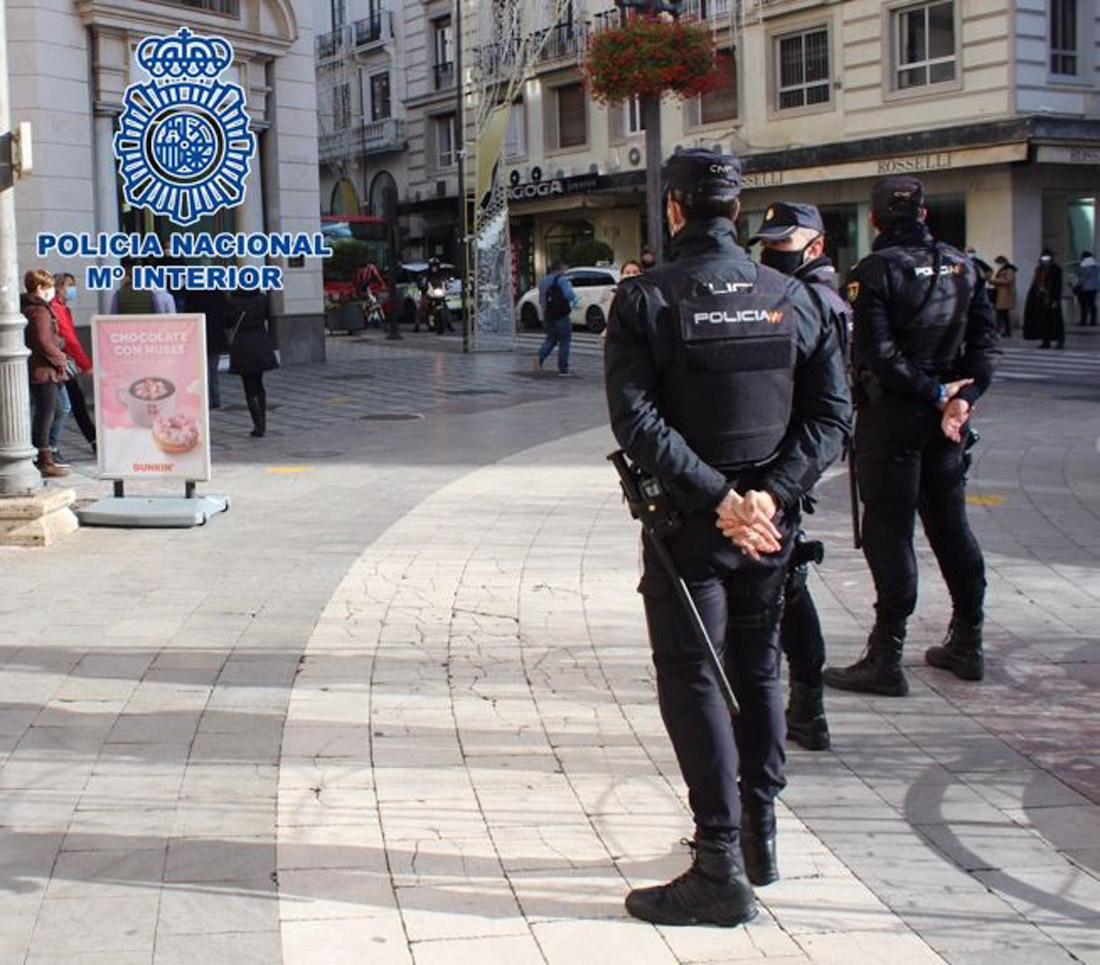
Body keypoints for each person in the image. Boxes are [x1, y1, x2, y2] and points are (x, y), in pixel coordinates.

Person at [605, 148, 850, 927]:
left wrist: (721, 499)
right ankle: (759, 837)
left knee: (696, 677)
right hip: (766, 526)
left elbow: (636, 421)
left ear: (675, 209)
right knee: (760, 666)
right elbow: (831, 418)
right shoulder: (794, 296)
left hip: (691, 526)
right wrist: (768, 498)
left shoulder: (645, 298)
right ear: (735, 211)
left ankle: (719, 863)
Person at [823, 176, 999, 699]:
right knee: (950, 525)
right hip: (947, 421)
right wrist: (961, 398)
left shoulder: (874, 270)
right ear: (923, 215)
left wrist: (933, 391)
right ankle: (968, 639)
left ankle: (886, 654)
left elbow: (877, 353)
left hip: (896, 415)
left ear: (875, 220)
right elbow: (986, 341)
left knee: (890, 531)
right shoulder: (965, 266)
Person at [750, 201, 853, 751]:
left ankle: (808, 703)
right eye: (766, 245)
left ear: (815, 245)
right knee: (782, 586)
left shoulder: (820, 303)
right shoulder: (790, 295)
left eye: (782, 245)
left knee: (787, 587)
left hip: (789, 464)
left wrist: (781, 482)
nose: (771, 254)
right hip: (779, 461)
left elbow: (828, 405)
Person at [21, 268, 69, 478]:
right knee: (47, 412)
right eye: (48, 287)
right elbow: (43, 341)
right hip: (44, 370)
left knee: (55, 410)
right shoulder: (39, 310)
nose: (51, 291)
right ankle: (44, 459)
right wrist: (60, 357)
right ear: (40, 287)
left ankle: (42, 453)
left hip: (40, 367)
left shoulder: (28, 307)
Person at [48, 273, 97, 460]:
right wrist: (86, 364)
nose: (72, 289)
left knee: (72, 404)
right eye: (69, 285)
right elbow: (69, 340)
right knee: (67, 405)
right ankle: (49, 448)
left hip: (64, 362)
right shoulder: (56, 308)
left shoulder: (61, 307)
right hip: (61, 362)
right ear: (58, 286)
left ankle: (93, 441)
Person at [227, 289, 278, 437]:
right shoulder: (262, 298)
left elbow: (227, 321)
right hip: (259, 342)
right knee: (259, 383)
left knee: (248, 386)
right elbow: (268, 315)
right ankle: (262, 423)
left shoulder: (232, 300)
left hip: (242, 344)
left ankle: (257, 424)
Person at [186, 286, 231, 408]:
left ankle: (203, 399)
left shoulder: (192, 293)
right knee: (212, 369)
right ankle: (215, 398)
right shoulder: (218, 293)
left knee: (200, 369)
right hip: (216, 336)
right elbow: (226, 315)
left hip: (199, 333)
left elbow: (188, 313)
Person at [536, 260, 580, 376]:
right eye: (565, 268)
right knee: (565, 341)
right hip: (561, 315)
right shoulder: (561, 279)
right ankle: (563, 369)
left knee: (551, 339)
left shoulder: (543, 280)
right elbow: (568, 294)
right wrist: (575, 300)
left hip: (548, 314)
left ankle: (539, 358)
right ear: (560, 268)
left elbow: (541, 300)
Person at [1022, 249, 1064, 349]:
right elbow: (1035, 283)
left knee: (1055, 321)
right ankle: (1046, 341)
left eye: (1047, 258)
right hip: (1040, 298)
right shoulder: (1039, 269)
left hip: (1051, 298)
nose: (1045, 260)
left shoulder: (1056, 269)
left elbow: (1058, 285)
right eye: (1044, 258)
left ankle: (1059, 341)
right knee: (1043, 321)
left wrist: (1055, 299)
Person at [109, 258, 176, 314]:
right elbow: (157, 312)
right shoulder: (150, 294)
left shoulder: (118, 294)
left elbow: (113, 315)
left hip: (125, 328)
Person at [414, 257, 454, 333]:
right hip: (427, 293)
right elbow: (421, 280)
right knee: (421, 306)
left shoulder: (441, 273)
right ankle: (416, 325)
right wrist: (421, 285)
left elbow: (445, 281)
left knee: (446, 307)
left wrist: (447, 285)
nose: (434, 267)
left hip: (438, 293)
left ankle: (449, 324)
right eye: (433, 265)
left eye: (436, 265)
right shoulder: (426, 273)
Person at [991, 256, 1017, 337]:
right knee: (1003, 315)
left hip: (1006, 294)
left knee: (1001, 314)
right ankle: (1005, 331)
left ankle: (1000, 331)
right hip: (1001, 294)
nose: (998, 265)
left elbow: (1009, 281)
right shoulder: (1003, 270)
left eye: (999, 263)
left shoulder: (1009, 270)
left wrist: (995, 281)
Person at [1073, 251, 1099, 327]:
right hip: (1094, 287)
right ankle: (1093, 321)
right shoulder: (1096, 265)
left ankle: (1083, 320)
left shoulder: (1083, 265)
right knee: (1092, 304)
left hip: (1084, 288)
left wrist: (1077, 285)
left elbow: (1080, 276)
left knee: (1083, 305)